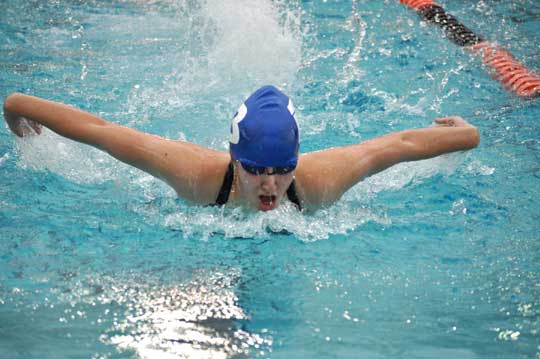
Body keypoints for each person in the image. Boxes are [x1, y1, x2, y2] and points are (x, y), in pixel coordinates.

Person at [3, 85, 480, 212]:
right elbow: (104, 131)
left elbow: (396, 145)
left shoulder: (317, 181)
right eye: (255, 169)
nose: (270, 183)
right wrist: (17, 109)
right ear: (234, 158)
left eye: (281, 169)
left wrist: (465, 133)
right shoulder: (196, 174)